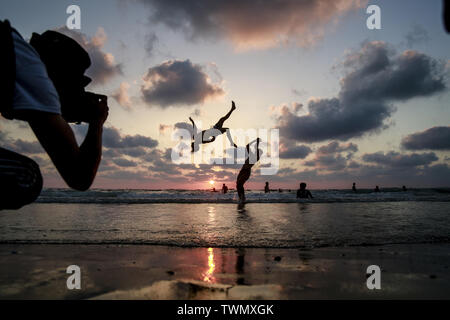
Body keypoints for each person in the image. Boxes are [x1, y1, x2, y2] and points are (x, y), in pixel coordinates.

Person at [0, 22, 108, 210]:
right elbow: (79, 177)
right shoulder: (35, 74)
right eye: (76, 85)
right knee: (26, 176)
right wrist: (97, 122)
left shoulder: (17, 57)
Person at [236, 138, 262, 203]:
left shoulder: (256, 157)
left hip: (246, 171)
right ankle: (241, 198)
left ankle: (243, 198)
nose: (256, 151)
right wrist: (255, 140)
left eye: (258, 152)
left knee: (240, 184)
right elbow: (247, 146)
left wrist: (257, 142)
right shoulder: (251, 155)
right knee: (238, 184)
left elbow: (255, 147)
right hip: (242, 170)